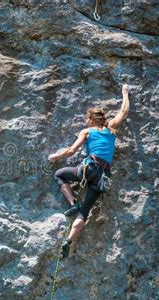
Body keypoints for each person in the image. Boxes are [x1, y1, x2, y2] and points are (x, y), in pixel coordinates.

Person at [48, 84, 130, 258]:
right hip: (102, 177)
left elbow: (71, 151)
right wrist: (125, 92)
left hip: (88, 169)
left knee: (60, 174)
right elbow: (124, 111)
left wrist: (55, 158)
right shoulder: (111, 129)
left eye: (87, 119)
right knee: (84, 212)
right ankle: (69, 240)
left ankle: (72, 203)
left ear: (91, 119)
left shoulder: (87, 131)